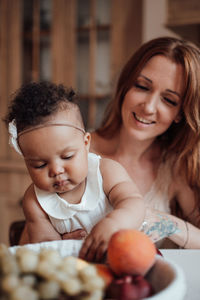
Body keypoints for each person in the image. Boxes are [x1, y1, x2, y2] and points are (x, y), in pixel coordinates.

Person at [4, 81, 145, 261]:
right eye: (39, 165)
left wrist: (114, 223)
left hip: (123, 256)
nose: (56, 170)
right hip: (76, 265)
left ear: (85, 144)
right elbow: (46, 248)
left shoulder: (106, 172)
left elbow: (134, 203)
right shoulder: (34, 201)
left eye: (67, 156)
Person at [89, 36, 200, 249]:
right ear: (125, 87)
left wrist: (167, 223)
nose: (148, 107)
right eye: (142, 86)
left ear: (180, 114)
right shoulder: (77, 149)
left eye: (169, 100)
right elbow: (31, 235)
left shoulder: (175, 167)